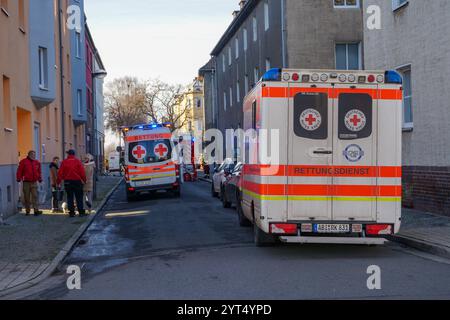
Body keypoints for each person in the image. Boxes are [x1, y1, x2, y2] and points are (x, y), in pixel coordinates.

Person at [57, 150, 87, 218]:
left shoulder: (64, 162)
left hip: (68, 181)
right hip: (77, 181)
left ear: (68, 154)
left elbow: (60, 173)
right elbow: (82, 172)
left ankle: (71, 212)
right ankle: (81, 212)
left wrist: (58, 182)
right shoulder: (77, 161)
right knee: (79, 197)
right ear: (74, 154)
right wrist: (84, 180)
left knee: (69, 197)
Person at [16, 151, 43, 216]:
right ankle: (27, 211)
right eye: (32, 155)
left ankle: (36, 210)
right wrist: (18, 178)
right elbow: (19, 171)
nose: (34, 156)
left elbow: (39, 172)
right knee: (26, 197)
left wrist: (40, 179)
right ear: (29, 155)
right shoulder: (23, 162)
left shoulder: (37, 162)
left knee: (35, 196)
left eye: (34, 155)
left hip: (34, 182)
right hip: (26, 182)